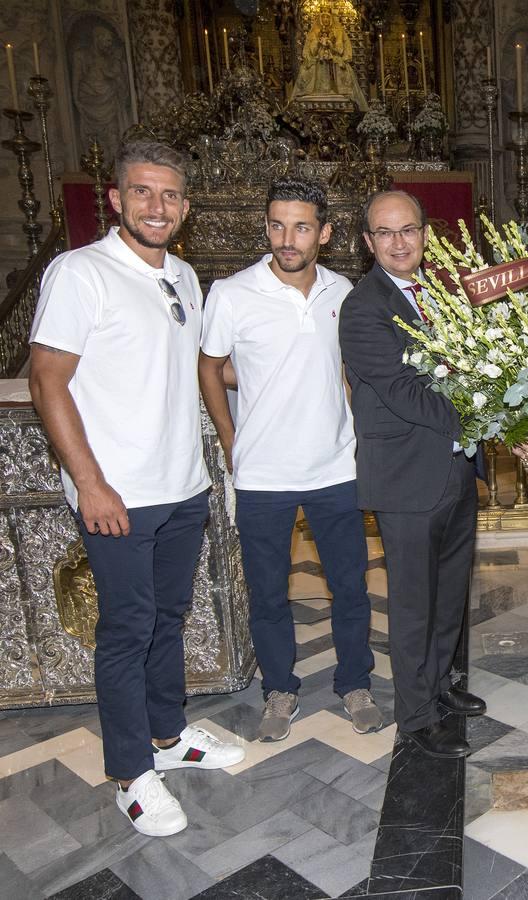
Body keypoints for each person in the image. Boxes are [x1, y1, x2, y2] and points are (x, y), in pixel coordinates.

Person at [28, 141, 244, 837]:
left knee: (168, 618)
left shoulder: (182, 274)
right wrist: (89, 484)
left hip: (181, 488)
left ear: (185, 206)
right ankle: (129, 772)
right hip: (116, 494)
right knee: (126, 628)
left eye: (172, 195)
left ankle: (166, 734)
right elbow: (46, 381)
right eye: (144, 193)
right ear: (116, 199)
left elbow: (205, 369)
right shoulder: (80, 272)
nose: (159, 206)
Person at [199, 176, 381, 743]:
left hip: (335, 467)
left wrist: (359, 436)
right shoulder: (232, 293)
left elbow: (348, 372)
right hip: (262, 475)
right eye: (277, 225)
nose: (287, 237)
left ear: (323, 233)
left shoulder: (343, 290)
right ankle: (280, 689)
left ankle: (355, 684)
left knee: (351, 586)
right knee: (269, 592)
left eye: (301, 226)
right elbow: (209, 368)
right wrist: (230, 440)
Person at [338, 190, 483, 759]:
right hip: (404, 474)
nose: (399, 242)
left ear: (425, 233)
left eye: (408, 230)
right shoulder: (363, 307)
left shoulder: (443, 293)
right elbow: (399, 391)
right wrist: (480, 415)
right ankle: (416, 717)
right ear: (369, 242)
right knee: (412, 602)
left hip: (453, 465)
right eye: (385, 233)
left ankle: (440, 685)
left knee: (450, 592)